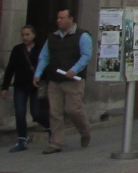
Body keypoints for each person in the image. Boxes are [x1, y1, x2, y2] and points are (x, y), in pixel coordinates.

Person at [33, 9, 93, 154]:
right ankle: (56, 143)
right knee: (55, 113)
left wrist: (75, 69)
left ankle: (85, 131)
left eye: (62, 18)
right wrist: (37, 74)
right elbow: (44, 56)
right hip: (55, 80)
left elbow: (86, 55)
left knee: (73, 109)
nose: (58, 20)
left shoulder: (82, 36)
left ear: (70, 19)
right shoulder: (52, 37)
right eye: (58, 18)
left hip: (74, 80)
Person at [1, 25, 48, 152]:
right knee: (19, 112)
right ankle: (22, 140)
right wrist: (5, 87)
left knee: (36, 114)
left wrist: (45, 80)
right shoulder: (17, 49)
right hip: (20, 86)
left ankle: (50, 128)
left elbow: (45, 65)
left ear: (33, 35)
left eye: (27, 35)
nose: (25, 37)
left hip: (35, 86)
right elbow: (10, 69)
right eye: (23, 35)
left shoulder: (40, 48)